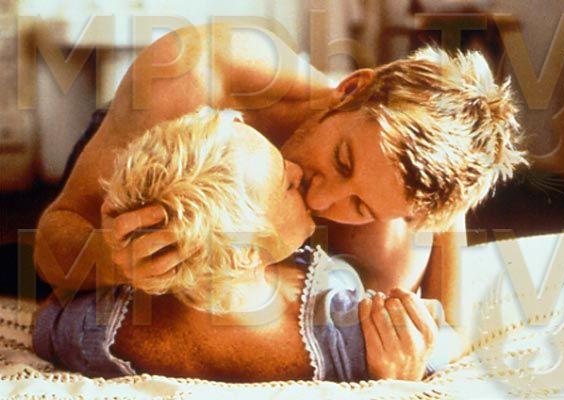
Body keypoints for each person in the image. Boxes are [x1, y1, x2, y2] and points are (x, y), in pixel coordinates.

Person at [33, 22, 525, 351]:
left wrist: (401, 362)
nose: (321, 199)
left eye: (360, 205)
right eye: (342, 160)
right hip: (154, 158)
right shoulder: (193, 75)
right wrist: (111, 258)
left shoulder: (387, 242)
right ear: (350, 89)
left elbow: (448, 333)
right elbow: (49, 251)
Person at [33, 108, 460, 382]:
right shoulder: (343, 332)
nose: (298, 174)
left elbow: (47, 320)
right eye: (285, 183)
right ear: (244, 252)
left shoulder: (97, 330)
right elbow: (442, 342)